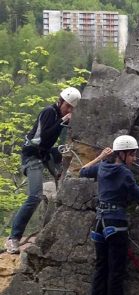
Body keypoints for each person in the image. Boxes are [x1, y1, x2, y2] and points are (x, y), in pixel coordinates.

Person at [79, 135, 139, 295]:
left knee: (101, 267)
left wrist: (101, 157)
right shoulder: (125, 173)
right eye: (133, 154)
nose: (134, 158)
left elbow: (83, 171)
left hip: (99, 223)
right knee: (116, 269)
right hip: (116, 223)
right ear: (123, 154)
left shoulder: (102, 167)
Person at [4, 87, 82, 254]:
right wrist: (63, 121)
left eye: (71, 108)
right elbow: (44, 137)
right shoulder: (49, 112)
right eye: (67, 106)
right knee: (35, 196)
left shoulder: (58, 115)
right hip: (32, 155)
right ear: (61, 101)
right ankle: (13, 238)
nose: (68, 110)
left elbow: (53, 140)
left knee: (62, 179)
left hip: (44, 153)